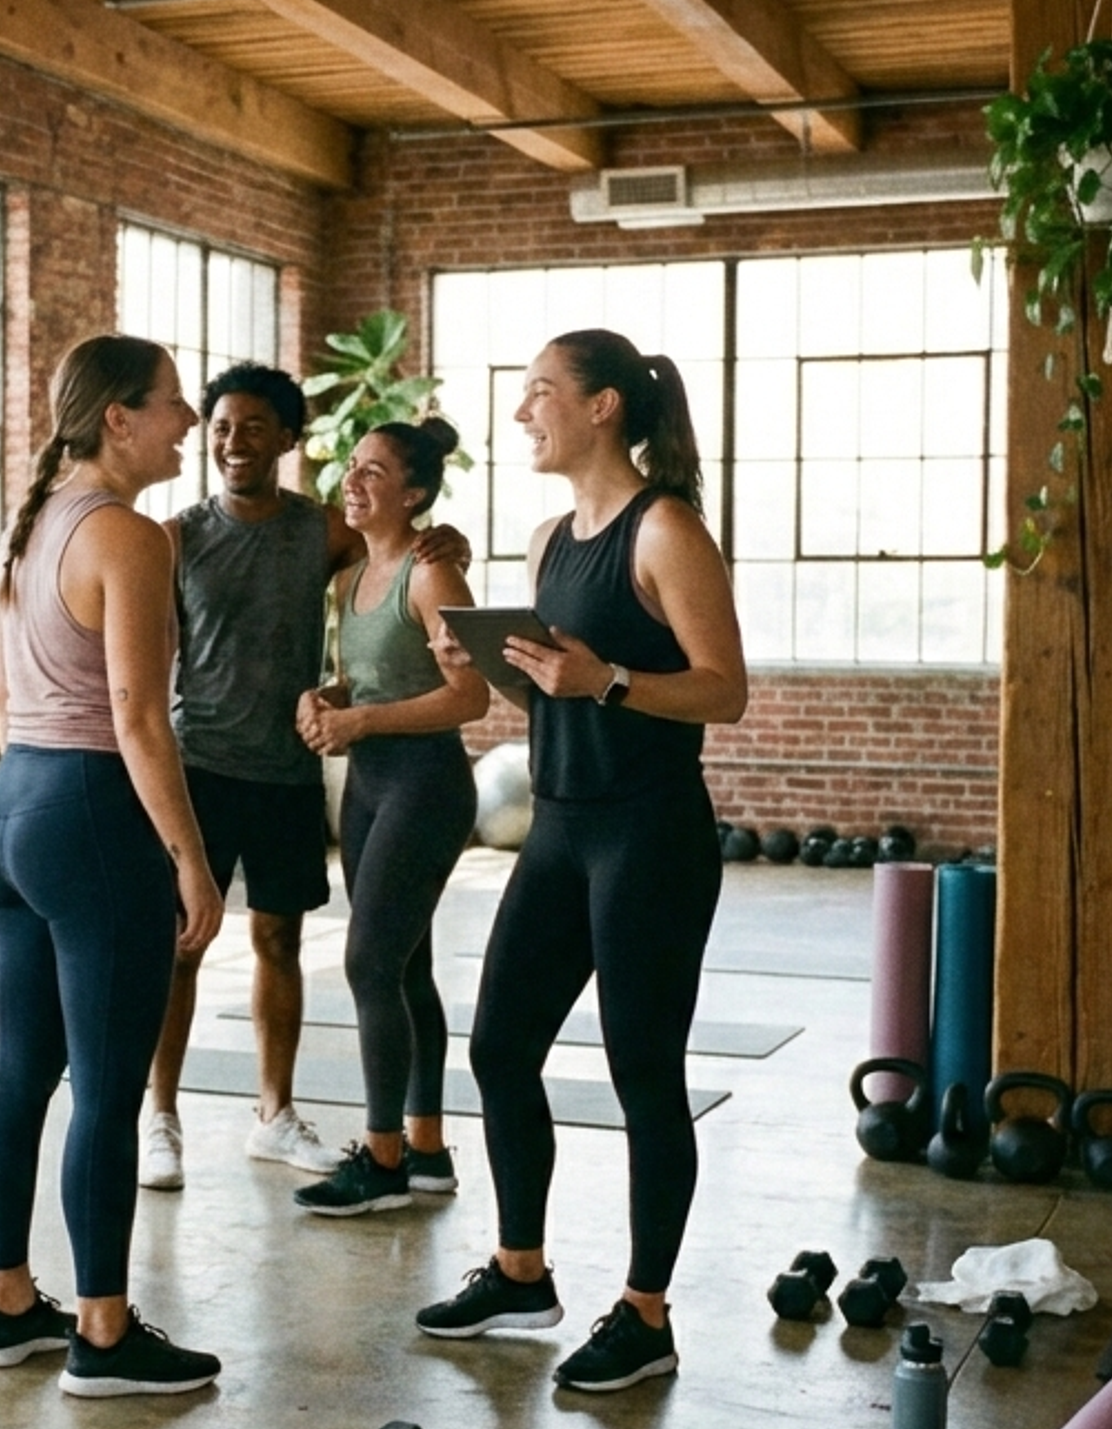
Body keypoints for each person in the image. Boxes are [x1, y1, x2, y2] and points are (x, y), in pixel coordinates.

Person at [413, 330, 746, 1394]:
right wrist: (492, 662)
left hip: (649, 834)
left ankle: (645, 1315)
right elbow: (556, 685)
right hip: (559, 828)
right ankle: (520, 1271)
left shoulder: (666, 529)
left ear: (603, 406)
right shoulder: (550, 539)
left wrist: (607, 681)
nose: (523, 412)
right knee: (500, 1047)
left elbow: (725, 689)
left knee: (644, 1073)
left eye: (540, 392)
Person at [0, 335, 225, 1396]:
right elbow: (137, 716)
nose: (189, 421)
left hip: (13, 804)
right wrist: (191, 857)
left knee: (20, 1070)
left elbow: (6, 691)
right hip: (86, 810)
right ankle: (105, 1337)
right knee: (110, 1089)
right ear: (118, 418)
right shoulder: (127, 534)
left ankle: (8, 1306)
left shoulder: (34, 522)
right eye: (172, 403)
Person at [141, 362, 468, 1190]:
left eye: (254, 427)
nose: (233, 442)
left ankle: (275, 1113)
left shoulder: (325, 533)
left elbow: (400, 553)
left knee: (280, 940)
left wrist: (448, 541)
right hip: (199, 766)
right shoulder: (177, 535)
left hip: (289, 773)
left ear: (287, 440)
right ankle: (160, 1115)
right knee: (181, 944)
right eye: (221, 427)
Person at [289, 418, 490, 1216]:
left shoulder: (431, 573)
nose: (354, 479)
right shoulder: (349, 579)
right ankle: (427, 1150)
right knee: (404, 968)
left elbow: (469, 696)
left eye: (375, 471)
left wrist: (361, 721)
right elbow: (363, 680)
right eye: (353, 465)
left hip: (426, 784)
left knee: (369, 963)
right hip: (370, 785)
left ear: (414, 494)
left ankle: (381, 1159)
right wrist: (326, 698)